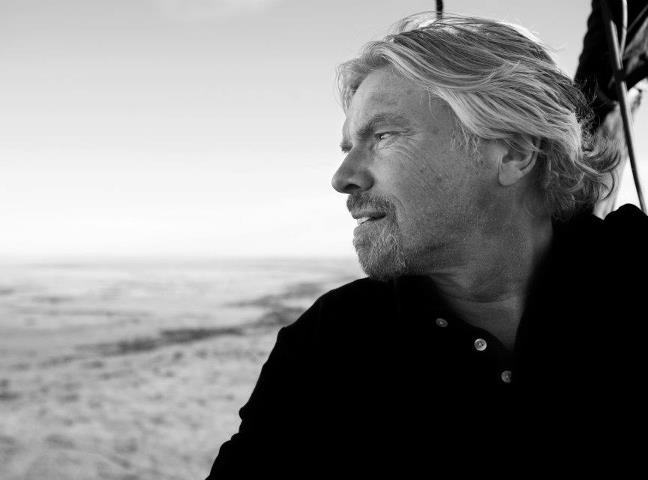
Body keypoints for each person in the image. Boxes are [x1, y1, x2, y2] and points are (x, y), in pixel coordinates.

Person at [207, 13, 647, 479]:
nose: (343, 178)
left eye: (383, 136)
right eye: (348, 148)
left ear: (514, 152)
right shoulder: (331, 345)